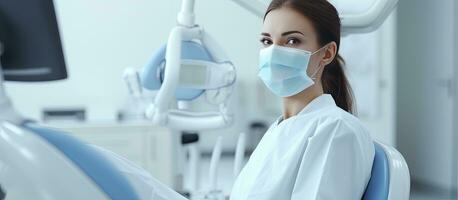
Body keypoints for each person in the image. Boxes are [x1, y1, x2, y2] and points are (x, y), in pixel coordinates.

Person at [230, 0, 375, 199]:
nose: (273, 52)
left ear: (326, 53)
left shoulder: (336, 130)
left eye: (292, 41)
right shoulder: (279, 128)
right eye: (267, 41)